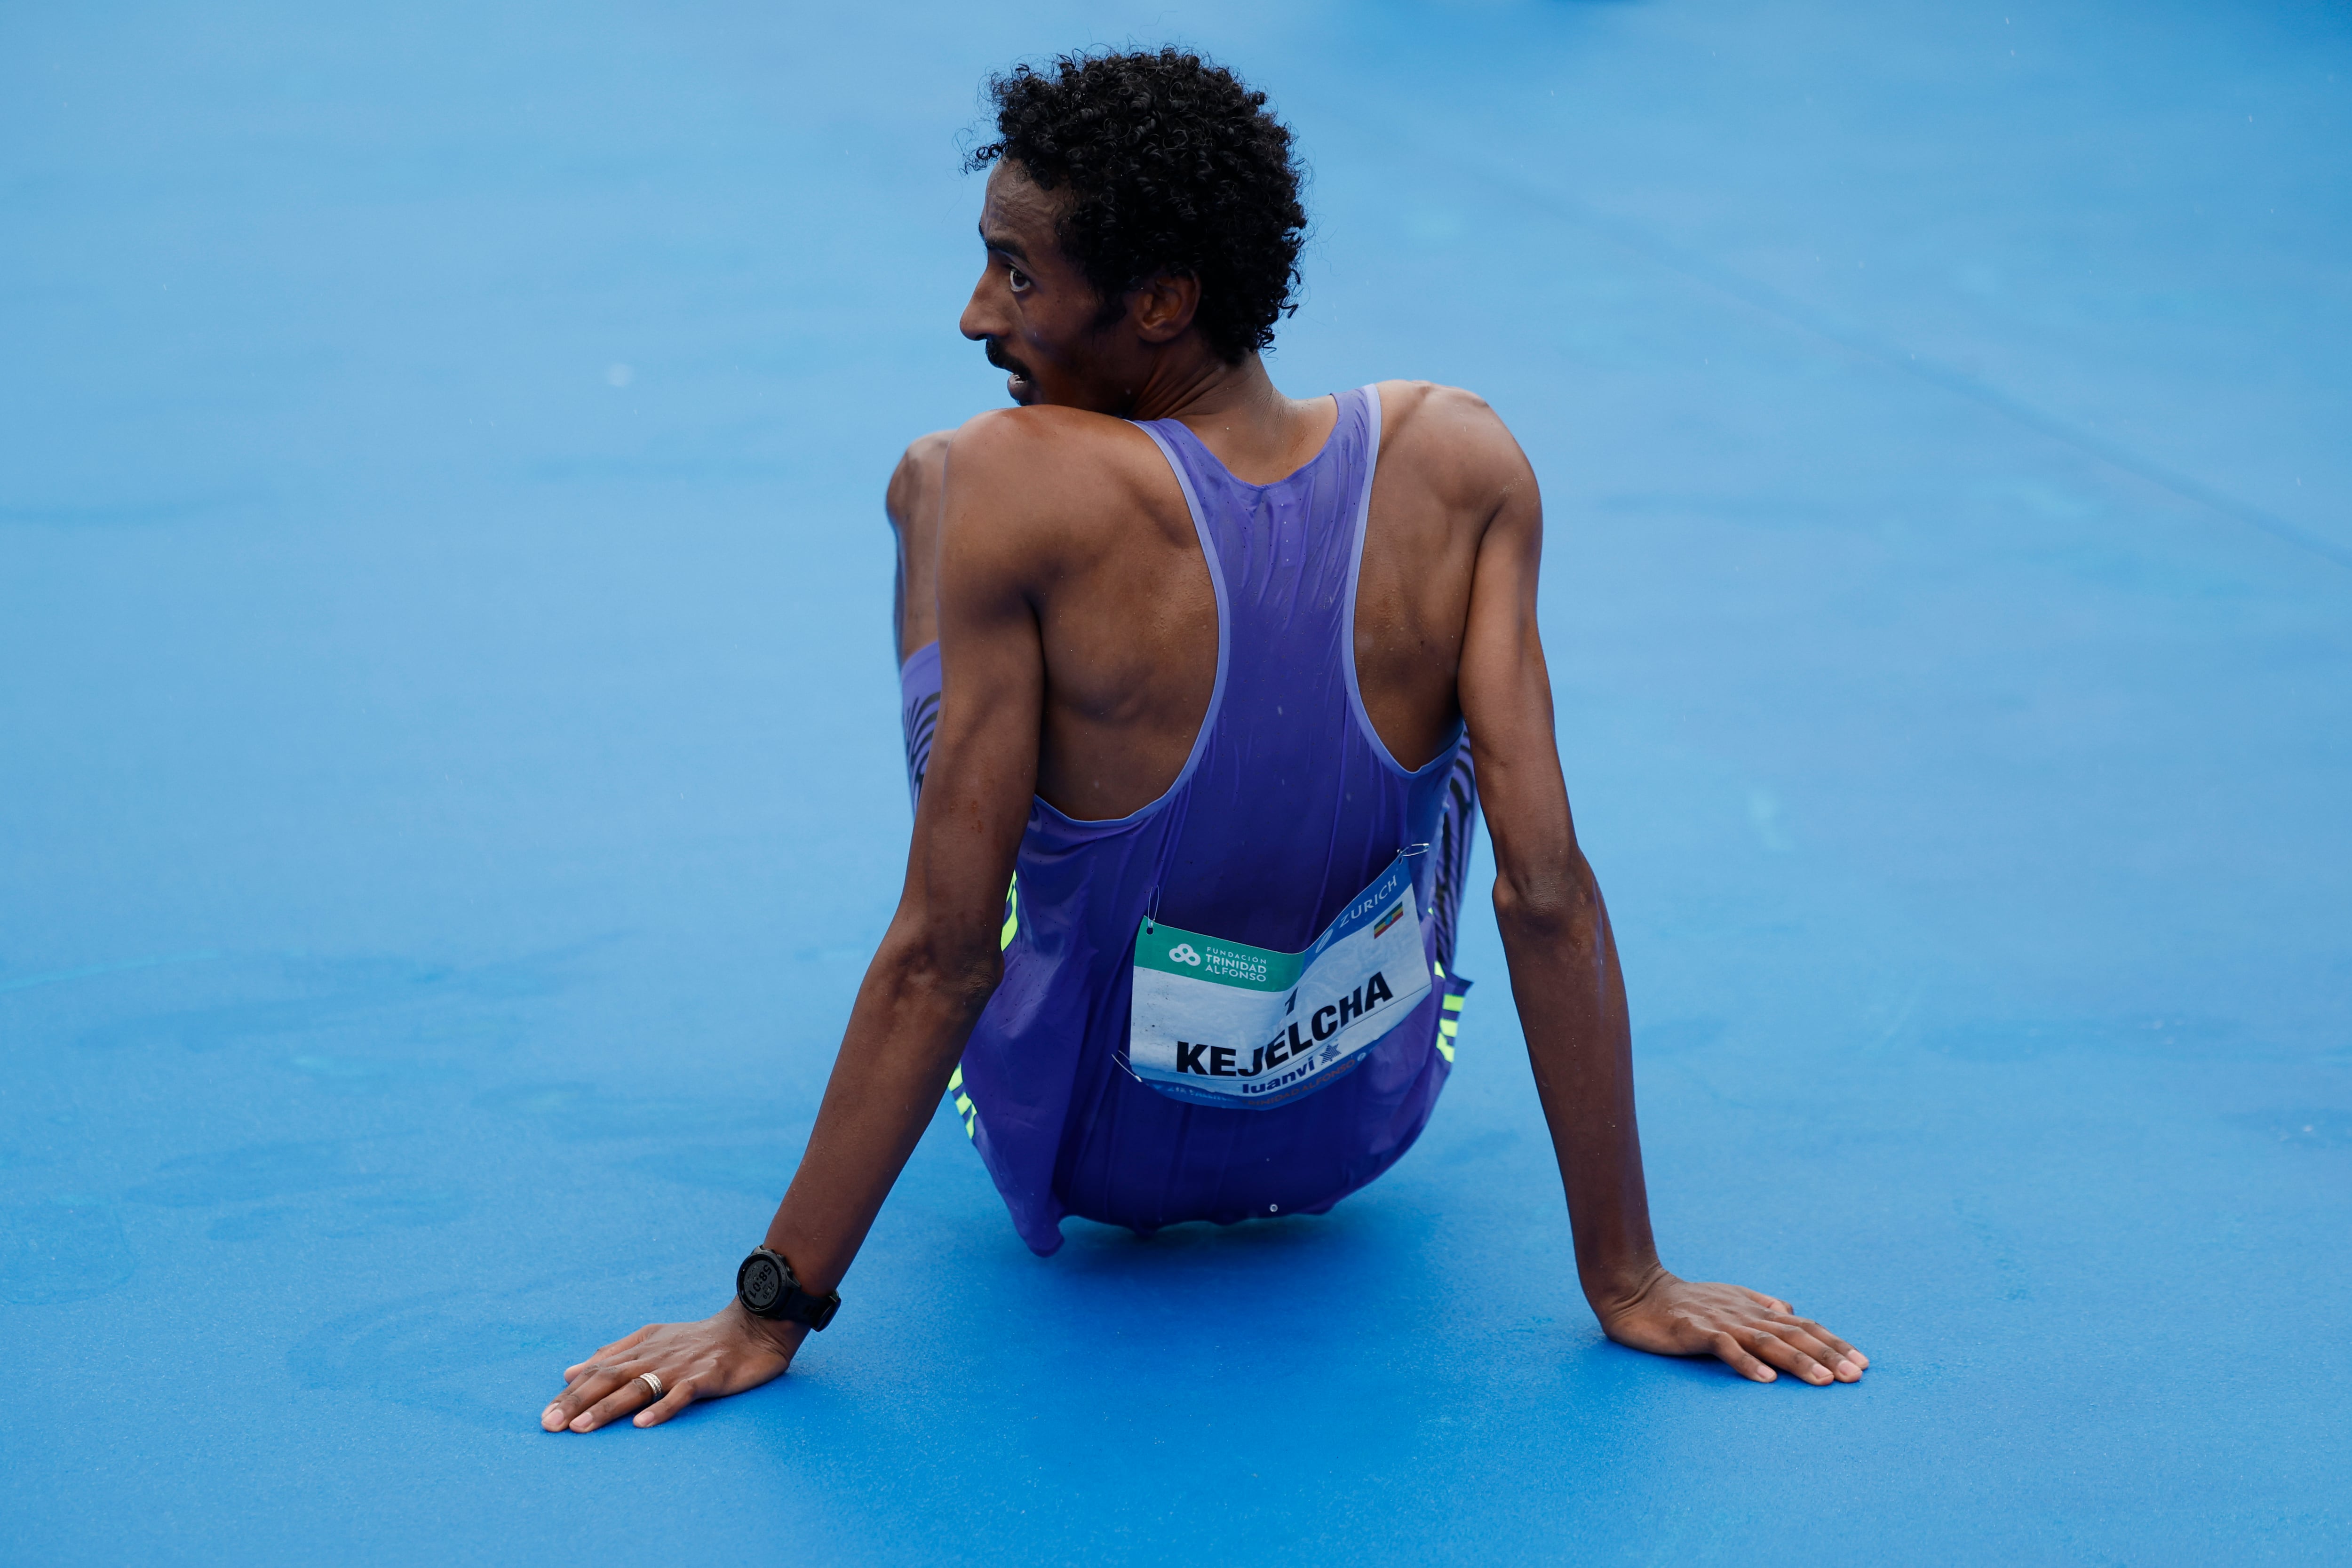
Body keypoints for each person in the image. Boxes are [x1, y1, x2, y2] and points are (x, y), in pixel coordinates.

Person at [541, 48, 1864, 1436]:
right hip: (1362, 1124)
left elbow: (943, 955)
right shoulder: (1466, 457)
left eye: (1017, 274)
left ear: (1162, 300)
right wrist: (1630, 1275)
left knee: (930, 482)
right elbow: (1547, 892)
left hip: (1084, 1153)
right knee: (1448, 710)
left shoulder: (1009, 480)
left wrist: (767, 1308)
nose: (977, 313)